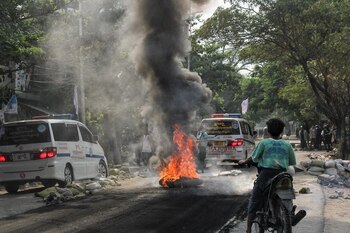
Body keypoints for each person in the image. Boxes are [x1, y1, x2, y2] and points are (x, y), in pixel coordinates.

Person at [238, 118, 296, 233]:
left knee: (254, 199)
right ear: (281, 131)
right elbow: (292, 162)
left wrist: (244, 162)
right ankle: (288, 214)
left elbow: (254, 158)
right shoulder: (287, 145)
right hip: (282, 175)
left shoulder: (264, 143)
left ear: (268, 131)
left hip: (266, 175)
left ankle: (248, 229)